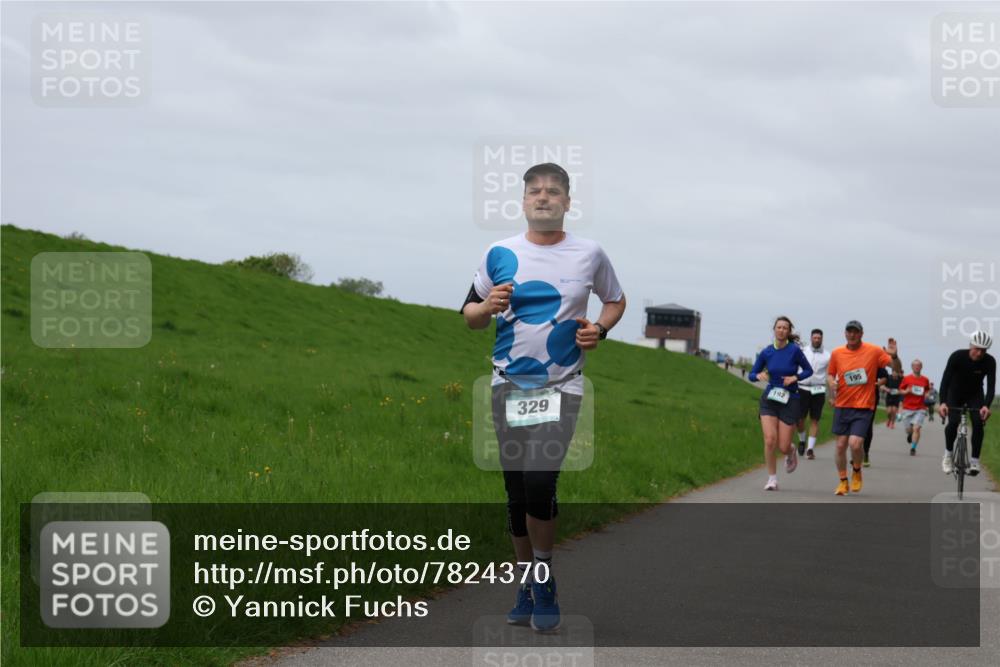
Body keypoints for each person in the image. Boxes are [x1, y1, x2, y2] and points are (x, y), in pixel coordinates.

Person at [462, 162, 625, 632]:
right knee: (516, 494)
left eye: (553, 191)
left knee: (538, 481)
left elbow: (615, 300)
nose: (543, 197)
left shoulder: (589, 253)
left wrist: (600, 329)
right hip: (507, 386)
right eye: (535, 190)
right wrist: (485, 307)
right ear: (523, 201)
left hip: (562, 386)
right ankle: (527, 582)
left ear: (567, 202)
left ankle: (545, 577)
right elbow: (469, 315)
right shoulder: (500, 253)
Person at [827, 320, 899, 495]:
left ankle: (857, 470)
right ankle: (843, 481)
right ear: (845, 333)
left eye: (855, 332)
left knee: (855, 443)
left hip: (863, 406)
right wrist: (831, 383)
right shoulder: (837, 353)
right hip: (843, 405)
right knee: (840, 446)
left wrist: (895, 356)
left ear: (861, 334)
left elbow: (896, 369)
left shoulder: (874, 351)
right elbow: (830, 374)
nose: (852, 335)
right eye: (849, 331)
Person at [748, 317, 813, 490]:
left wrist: (795, 377)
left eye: (785, 328)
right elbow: (751, 374)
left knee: (783, 446)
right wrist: (758, 375)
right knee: (770, 440)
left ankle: (791, 451)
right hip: (770, 400)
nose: (781, 330)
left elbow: (808, 370)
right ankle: (772, 479)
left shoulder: (794, 351)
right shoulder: (767, 352)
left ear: (789, 331)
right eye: (779, 327)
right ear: (774, 330)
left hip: (790, 400)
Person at [939, 331, 996, 477]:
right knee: (953, 422)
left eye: (983, 350)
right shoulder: (957, 356)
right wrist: (943, 402)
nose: (979, 353)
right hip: (955, 393)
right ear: (971, 345)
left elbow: (991, 387)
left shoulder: (990, 361)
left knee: (978, 423)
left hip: (974, 395)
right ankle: (948, 455)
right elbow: (945, 381)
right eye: (977, 349)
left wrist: (986, 406)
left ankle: (975, 460)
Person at [796, 328, 831, 460]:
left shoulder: (827, 355)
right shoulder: (802, 351)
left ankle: (810, 449)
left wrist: (832, 393)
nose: (816, 340)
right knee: (799, 419)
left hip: (818, 389)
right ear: (811, 338)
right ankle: (802, 440)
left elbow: (830, 374)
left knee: (815, 419)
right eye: (814, 338)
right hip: (802, 388)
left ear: (822, 339)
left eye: (819, 338)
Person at [898, 359, 931, 456]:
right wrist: (906, 391)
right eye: (915, 366)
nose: (917, 367)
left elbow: (927, 390)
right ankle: (910, 434)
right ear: (912, 367)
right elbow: (900, 390)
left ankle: (913, 448)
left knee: (916, 429)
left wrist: (927, 394)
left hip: (920, 408)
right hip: (907, 408)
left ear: (921, 367)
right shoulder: (907, 378)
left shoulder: (925, 379)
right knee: (909, 430)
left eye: (919, 365)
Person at [862, 366, 889, 467]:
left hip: (870, 398)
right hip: (852, 397)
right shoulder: (851, 358)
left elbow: (885, 377)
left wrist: (877, 384)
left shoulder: (874, 359)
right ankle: (856, 452)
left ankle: (865, 452)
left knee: (867, 426)